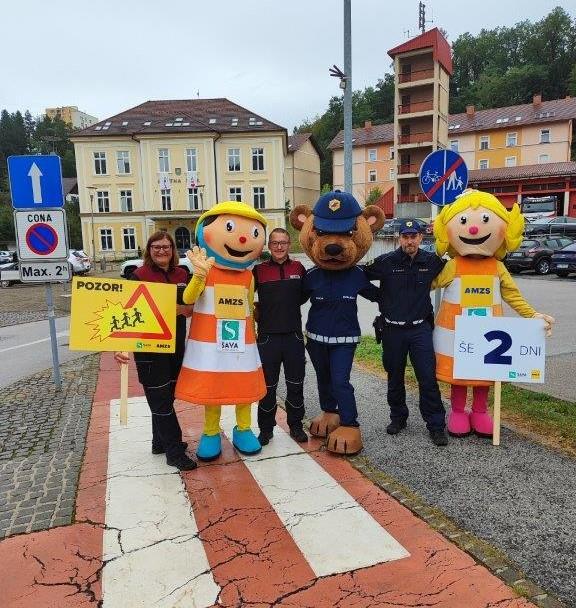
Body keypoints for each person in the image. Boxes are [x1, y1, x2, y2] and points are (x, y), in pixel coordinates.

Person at [114, 231, 197, 470]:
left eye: (166, 247)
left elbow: (191, 307)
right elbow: (124, 312)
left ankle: (159, 442)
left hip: (175, 347)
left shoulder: (183, 274)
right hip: (148, 350)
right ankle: (174, 451)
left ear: (173, 250)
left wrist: (181, 309)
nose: (162, 251)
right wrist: (119, 347)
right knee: (160, 400)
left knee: (167, 396)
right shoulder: (138, 276)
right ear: (149, 250)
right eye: (156, 247)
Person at [365, 219, 448, 446]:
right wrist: (379, 297)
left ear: (421, 238)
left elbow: (456, 266)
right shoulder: (386, 262)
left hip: (420, 330)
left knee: (427, 378)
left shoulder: (431, 261)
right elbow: (360, 277)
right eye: (405, 236)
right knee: (395, 377)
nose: (409, 241)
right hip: (393, 330)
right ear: (399, 238)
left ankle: (436, 425)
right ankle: (398, 418)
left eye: (413, 236)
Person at [253, 228, 307, 446]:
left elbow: (304, 296)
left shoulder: (299, 268)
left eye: (283, 242)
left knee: (295, 385)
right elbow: (243, 295)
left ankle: (296, 426)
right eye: (275, 243)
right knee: (267, 388)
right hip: (268, 338)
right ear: (269, 245)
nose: (279, 247)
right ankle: (266, 429)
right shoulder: (259, 271)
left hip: (293, 337)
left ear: (289, 244)